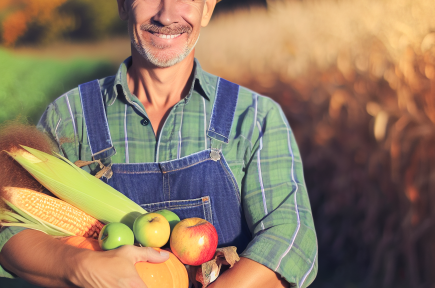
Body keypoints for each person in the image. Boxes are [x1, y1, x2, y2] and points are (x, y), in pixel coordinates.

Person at [0, 0, 318, 287]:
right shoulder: (70, 117)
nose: (166, 15)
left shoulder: (254, 117)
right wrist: (79, 265)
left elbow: (290, 237)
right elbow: (11, 229)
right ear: (123, 5)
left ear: (207, 8)